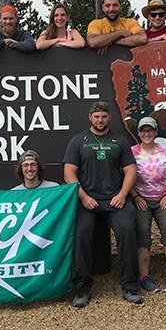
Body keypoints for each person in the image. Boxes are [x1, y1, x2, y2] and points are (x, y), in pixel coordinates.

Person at [63, 100, 142, 308]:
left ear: (110, 118)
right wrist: (83, 197)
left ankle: (130, 286)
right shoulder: (79, 141)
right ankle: (82, 287)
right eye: (96, 116)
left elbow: (130, 170)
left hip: (116, 199)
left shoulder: (119, 141)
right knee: (81, 233)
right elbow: (69, 172)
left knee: (126, 230)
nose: (100, 120)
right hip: (88, 200)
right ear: (90, 118)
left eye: (104, 116)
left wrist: (123, 194)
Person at [129, 117, 166, 293]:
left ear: (156, 132)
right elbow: (126, 176)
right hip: (141, 199)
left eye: (150, 130)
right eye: (143, 130)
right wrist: (135, 196)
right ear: (139, 133)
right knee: (143, 237)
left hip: (162, 198)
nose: (146, 133)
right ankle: (144, 277)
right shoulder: (132, 152)